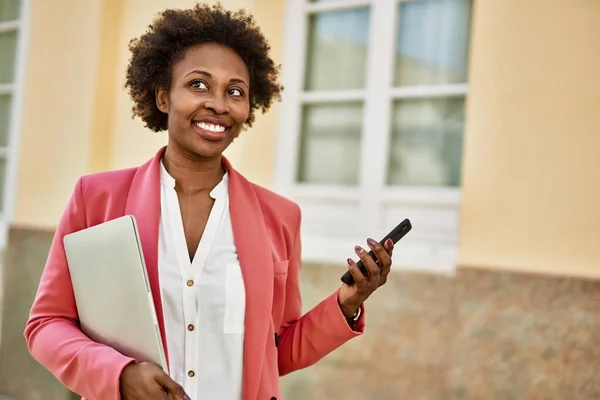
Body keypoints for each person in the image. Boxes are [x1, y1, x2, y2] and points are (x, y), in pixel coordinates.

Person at [24, 3, 395, 400]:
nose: (219, 104)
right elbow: (46, 325)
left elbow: (276, 353)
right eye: (199, 84)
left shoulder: (280, 218)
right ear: (163, 96)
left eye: (235, 91)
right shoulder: (96, 199)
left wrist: (347, 303)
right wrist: (119, 375)